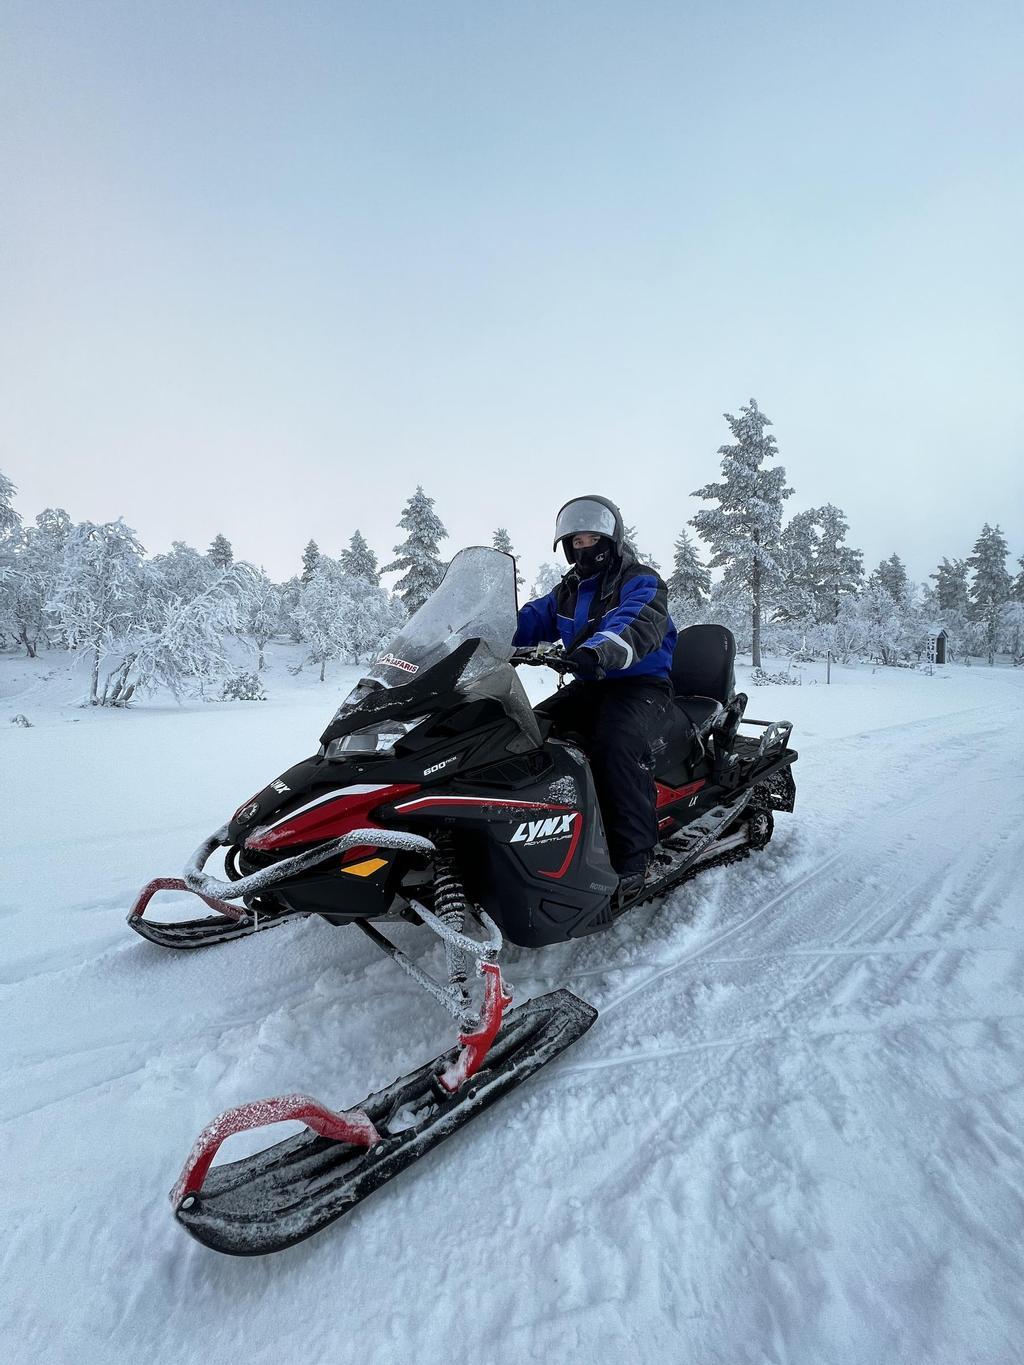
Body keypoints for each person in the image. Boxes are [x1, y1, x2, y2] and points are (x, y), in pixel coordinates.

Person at [513, 494, 677, 899]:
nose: (585, 548)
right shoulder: (569, 590)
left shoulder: (640, 580)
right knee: (524, 729)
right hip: (593, 684)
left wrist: (598, 650)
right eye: (578, 541)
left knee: (614, 744)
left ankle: (636, 858)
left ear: (611, 539)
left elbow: (635, 622)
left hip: (642, 686)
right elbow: (531, 620)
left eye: (592, 538)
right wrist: (483, 633)